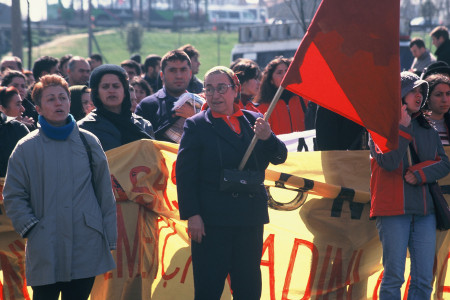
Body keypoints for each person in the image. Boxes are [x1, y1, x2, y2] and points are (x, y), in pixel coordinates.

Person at [176, 66, 287, 299]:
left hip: (249, 219)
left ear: (235, 90)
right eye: (209, 89)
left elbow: (279, 157)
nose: (215, 94)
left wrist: (268, 137)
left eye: (221, 88)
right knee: (209, 288)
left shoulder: (254, 121)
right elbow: (186, 175)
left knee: (248, 288)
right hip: (212, 221)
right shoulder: (197, 125)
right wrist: (192, 214)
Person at [2, 74, 117, 300]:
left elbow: (105, 193)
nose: (59, 103)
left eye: (63, 98)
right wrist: (32, 227)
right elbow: (13, 195)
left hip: (85, 241)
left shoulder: (88, 141)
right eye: (51, 99)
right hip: (45, 244)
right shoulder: (26, 148)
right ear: (38, 108)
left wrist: (108, 236)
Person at [369, 71, 450, 299]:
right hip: (392, 210)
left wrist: (419, 173)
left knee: (424, 279)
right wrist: (402, 128)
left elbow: (444, 163)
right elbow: (388, 161)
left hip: (425, 212)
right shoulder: (379, 125)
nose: (418, 96)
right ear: (399, 95)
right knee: (394, 277)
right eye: (413, 91)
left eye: (420, 91)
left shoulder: (428, 128)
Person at [78, 64, 154, 151]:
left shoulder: (143, 125)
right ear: (97, 93)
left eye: (116, 86)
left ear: (125, 91)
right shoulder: (85, 128)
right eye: (105, 87)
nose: (111, 91)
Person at [135, 50, 194, 140]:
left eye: (183, 70)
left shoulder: (201, 105)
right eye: (172, 70)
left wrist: (195, 117)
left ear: (190, 74)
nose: (178, 76)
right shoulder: (147, 106)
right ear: (162, 75)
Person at [255, 56, 307, 134]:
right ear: (271, 80)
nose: (285, 75)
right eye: (279, 72)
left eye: (287, 71)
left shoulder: (304, 101)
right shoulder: (262, 108)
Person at [423, 73, 450, 145]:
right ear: (427, 98)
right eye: (438, 95)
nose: (445, 99)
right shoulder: (418, 124)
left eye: (448, 94)